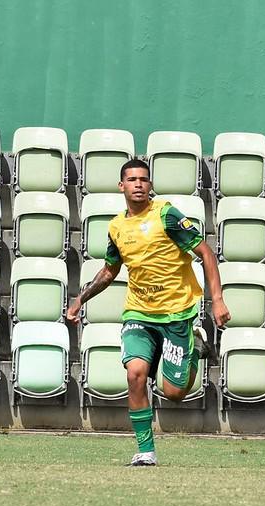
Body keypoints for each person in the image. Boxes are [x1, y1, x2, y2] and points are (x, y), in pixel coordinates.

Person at [66, 159, 231, 466]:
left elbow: (205, 252)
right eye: (132, 180)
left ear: (150, 185)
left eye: (143, 179)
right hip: (139, 313)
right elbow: (110, 270)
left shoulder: (166, 214)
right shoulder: (117, 227)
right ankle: (145, 451)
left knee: (174, 393)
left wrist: (218, 299)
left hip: (176, 313)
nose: (138, 184)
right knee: (135, 374)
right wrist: (80, 299)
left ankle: (195, 348)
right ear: (122, 186)